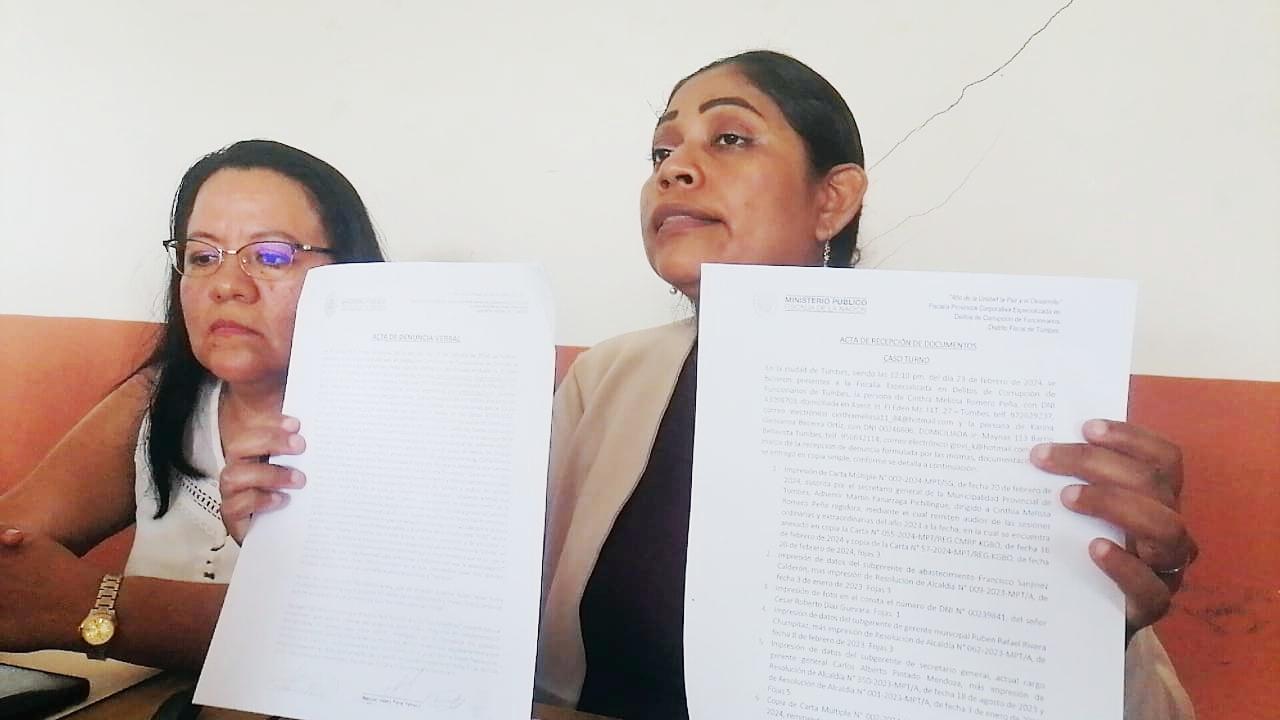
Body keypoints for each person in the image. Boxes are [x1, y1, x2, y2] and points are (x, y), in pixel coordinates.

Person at [222, 52, 1196, 719]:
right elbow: (473, 598)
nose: (674, 171)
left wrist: (1090, 624)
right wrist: (309, 533)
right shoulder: (608, 378)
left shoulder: (969, 386)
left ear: (832, 199)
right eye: (660, 152)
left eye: (727, 140)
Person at [0, 139, 384, 670]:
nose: (226, 285)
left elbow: (371, 641)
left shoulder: (409, 431)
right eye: (202, 256)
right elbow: (12, 543)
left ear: (351, 275)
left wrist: (89, 603)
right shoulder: (158, 399)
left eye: (271, 256)